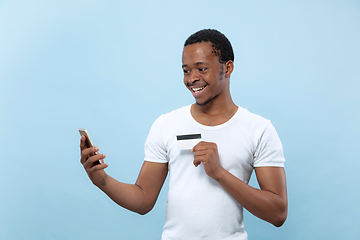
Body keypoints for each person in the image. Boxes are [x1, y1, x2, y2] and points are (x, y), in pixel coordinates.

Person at [80, 29, 287, 240]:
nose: (192, 79)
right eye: (186, 71)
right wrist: (101, 180)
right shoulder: (166, 125)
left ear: (228, 68)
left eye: (202, 69)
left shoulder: (258, 129)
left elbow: (278, 213)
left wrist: (219, 173)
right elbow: (143, 200)